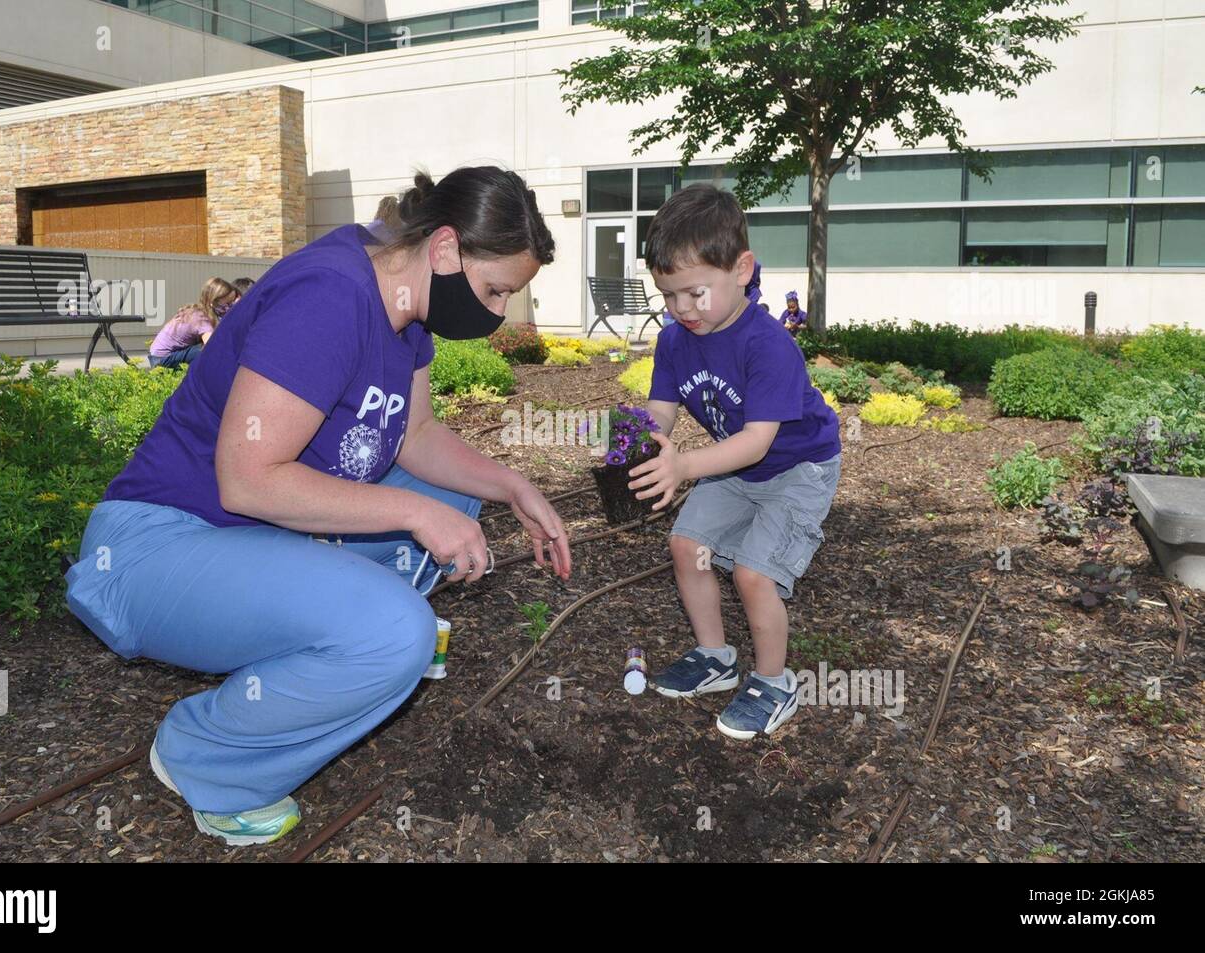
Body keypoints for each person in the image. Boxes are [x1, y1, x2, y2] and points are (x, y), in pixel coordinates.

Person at [65, 166, 572, 845]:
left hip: (246, 537)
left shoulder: (407, 306)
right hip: (158, 547)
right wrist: (416, 516)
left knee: (453, 491)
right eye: (494, 290)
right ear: (446, 250)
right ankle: (205, 757)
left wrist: (514, 486)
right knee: (398, 631)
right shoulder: (330, 297)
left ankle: (315, 653)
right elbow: (247, 481)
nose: (496, 311)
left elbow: (415, 436)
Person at [626, 184, 842, 740]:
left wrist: (684, 467)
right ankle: (715, 657)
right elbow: (662, 411)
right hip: (736, 466)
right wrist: (641, 446)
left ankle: (774, 683)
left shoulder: (768, 345)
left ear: (741, 269)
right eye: (668, 295)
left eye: (695, 293)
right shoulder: (675, 342)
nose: (681, 309)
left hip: (797, 469)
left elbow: (757, 443)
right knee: (686, 545)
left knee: (752, 573)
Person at [147, 277, 239, 368]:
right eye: (226, 304)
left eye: (231, 303)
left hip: (158, 355)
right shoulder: (201, 318)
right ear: (213, 301)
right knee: (206, 349)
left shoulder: (199, 311)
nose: (229, 308)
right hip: (161, 359)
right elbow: (212, 346)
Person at [660, 257, 767, 328]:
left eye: (697, 293)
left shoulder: (766, 342)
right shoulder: (670, 340)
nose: (680, 307)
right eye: (667, 294)